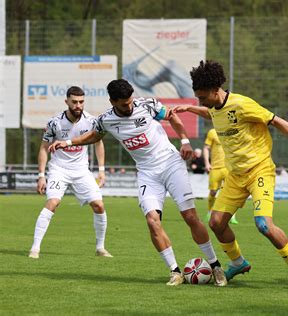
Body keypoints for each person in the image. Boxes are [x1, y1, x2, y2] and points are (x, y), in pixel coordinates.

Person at [49, 79, 227, 287]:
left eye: (130, 101)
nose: (129, 106)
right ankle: (175, 272)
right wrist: (68, 142)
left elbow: (172, 116)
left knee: (190, 216)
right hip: (147, 173)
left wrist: (185, 141)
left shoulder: (147, 105)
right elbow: (92, 136)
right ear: (113, 101)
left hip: (170, 163)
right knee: (152, 221)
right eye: (123, 104)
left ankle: (215, 267)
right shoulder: (106, 119)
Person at [173, 60, 288, 292]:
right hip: (235, 176)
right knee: (216, 222)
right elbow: (212, 114)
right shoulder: (215, 107)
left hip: (259, 171)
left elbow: (277, 122)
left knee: (263, 224)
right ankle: (238, 263)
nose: (201, 101)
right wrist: (192, 109)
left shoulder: (243, 105)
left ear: (216, 90)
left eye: (202, 97)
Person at [29, 86, 112, 259]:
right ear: (66, 101)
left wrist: (102, 170)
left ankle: (100, 248)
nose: (78, 105)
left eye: (81, 102)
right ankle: (35, 249)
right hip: (59, 169)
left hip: (81, 171)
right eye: (74, 102)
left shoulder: (91, 121)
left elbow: (98, 143)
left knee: (99, 205)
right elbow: (44, 148)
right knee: (53, 202)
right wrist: (41, 175)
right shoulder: (55, 122)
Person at [203, 128, 238, 225]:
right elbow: (206, 147)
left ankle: (232, 216)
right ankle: (210, 212)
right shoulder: (212, 132)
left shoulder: (232, 131)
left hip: (229, 168)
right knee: (213, 192)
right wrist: (207, 163)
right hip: (215, 168)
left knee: (232, 192)